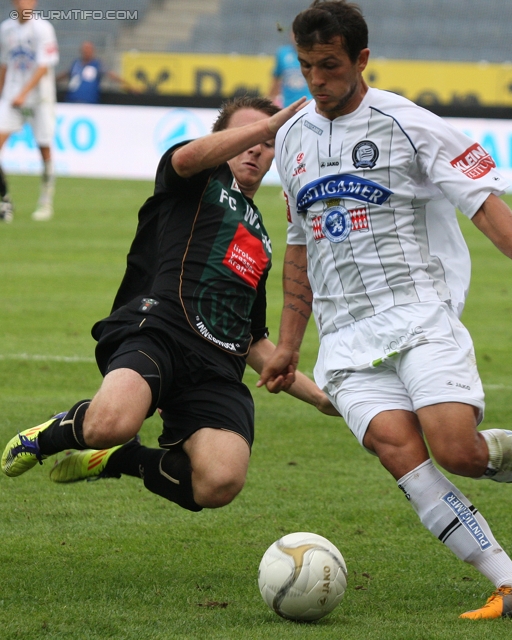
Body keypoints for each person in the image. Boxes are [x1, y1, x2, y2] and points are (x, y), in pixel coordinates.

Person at [259, 0, 512, 620]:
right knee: (400, 455)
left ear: (361, 60)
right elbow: (301, 246)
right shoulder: (293, 139)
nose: (317, 82)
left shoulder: (410, 124)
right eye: (306, 68)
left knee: (458, 451)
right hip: (347, 338)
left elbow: (481, 199)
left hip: (416, 314)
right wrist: (289, 344)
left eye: (329, 66)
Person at [1, 94, 340, 515]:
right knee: (111, 423)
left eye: (268, 143)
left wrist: (323, 398)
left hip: (217, 370)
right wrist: (267, 126)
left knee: (219, 481)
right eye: (245, 135)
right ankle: (49, 435)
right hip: (159, 332)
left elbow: (253, 341)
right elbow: (187, 158)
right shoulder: (198, 176)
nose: (255, 147)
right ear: (223, 139)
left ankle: (121, 459)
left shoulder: (263, 240)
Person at [0, 0, 58, 223]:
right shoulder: (6, 29)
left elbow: (44, 66)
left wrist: (24, 93)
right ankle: (5, 199)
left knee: (44, 149)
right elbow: (4, 64)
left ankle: (45, 201)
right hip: (12, 96)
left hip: (40, 99)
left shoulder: (43, 29)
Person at [57, 41, 137, 105]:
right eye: (84, 49)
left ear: (93, 51)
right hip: (71, 102)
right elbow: (65, 74)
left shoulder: (97, 65)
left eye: (88, 49)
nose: (86, 52)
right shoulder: (75, 64)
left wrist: (128, 85)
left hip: (89, 103)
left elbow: (112, 76)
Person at [268, 30, 312, 108]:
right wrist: (269, 101)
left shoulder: (315, 53)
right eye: (294, 33)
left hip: (309, 104)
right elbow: (276, 79)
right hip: (288, 105)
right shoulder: (282, 53)